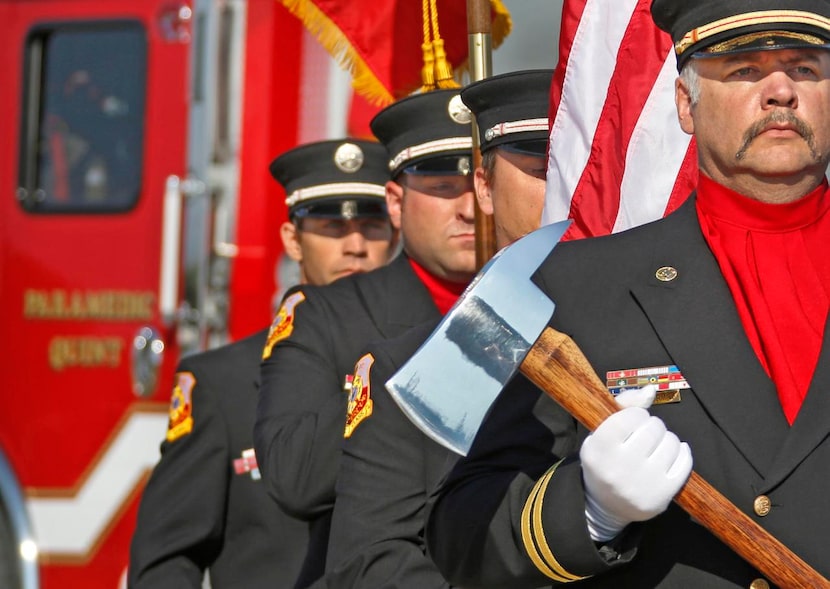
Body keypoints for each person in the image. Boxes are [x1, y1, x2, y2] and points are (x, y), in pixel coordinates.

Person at [426, 1, 830, 587]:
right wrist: (588, 509)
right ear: (685, 105)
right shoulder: (553, 285)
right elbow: (458, 531)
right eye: (742, 69)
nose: (779, 91)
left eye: (804, 68)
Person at [127, 138, 396, 589]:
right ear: (293, 239)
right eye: (332, 225)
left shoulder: (418, 364)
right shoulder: (222, 383)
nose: (355, 245)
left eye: (373, 225)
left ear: (397, 231)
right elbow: (167, 558)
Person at [322, 69, 554, 588]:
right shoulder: (422, 362)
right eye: (541, 169)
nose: (568, 190)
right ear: (486, 188)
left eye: (588, 166)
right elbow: (369, 559)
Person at [254, 89, 478, 589]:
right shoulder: (326, 315)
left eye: (480, 184)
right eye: (443, 187)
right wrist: (443, 360)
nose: (467, 209)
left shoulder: (545, 300)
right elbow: (293, 477)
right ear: (396, 204)